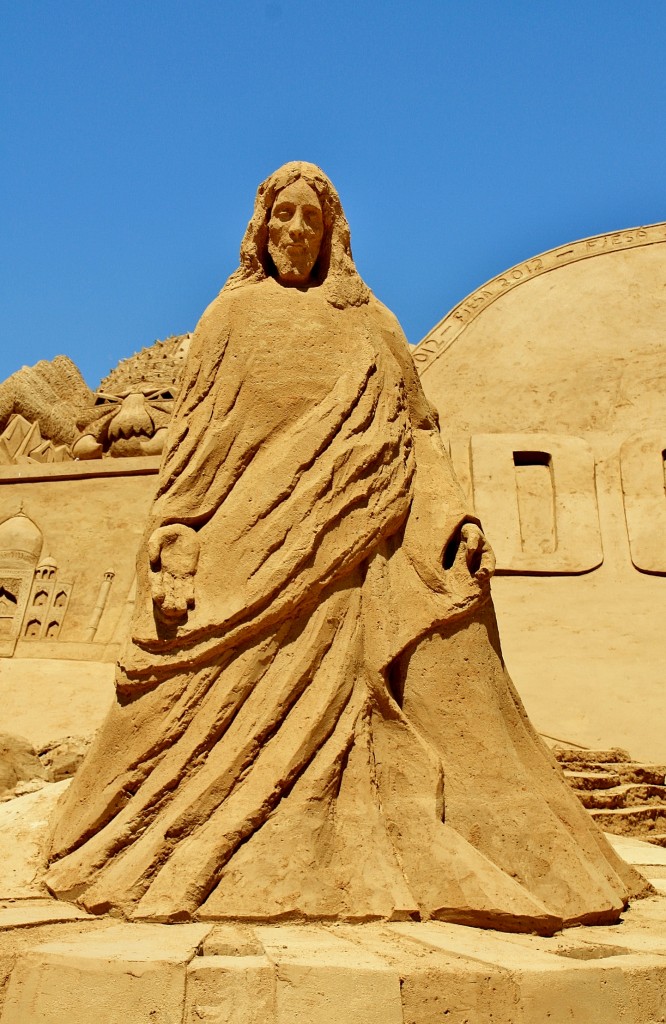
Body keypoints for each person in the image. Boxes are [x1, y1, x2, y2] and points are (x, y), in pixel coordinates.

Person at [46, 162, 643, 932]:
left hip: (358, 547)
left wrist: (457, 517)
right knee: (166, 697)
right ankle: (156, 846)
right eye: (282, 217)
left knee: (437, 643)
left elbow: (418, 432)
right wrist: (175, 535)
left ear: (333, 234)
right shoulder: (226, 322)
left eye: (310, 220)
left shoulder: (370, 323)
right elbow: (191, 449)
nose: (295, 230)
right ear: (261, 229)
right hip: (247, 544)